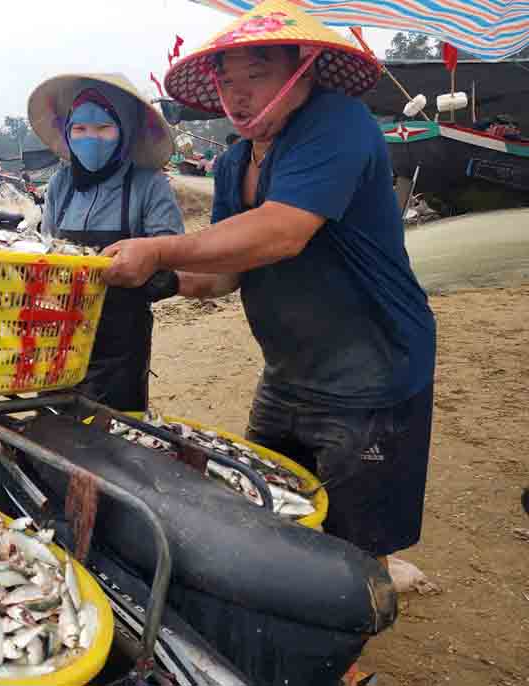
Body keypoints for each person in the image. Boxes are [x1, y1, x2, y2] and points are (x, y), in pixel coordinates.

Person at [106, 4, 436, 682]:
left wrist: (161, 245)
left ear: (304, 71)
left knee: (346, 546)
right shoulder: (233, 163)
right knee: (268, 505)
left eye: (257, 73)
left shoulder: (337, 124)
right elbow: (229, 268)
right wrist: (162, 280)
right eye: (227, 81)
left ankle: (340, 656)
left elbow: (282, 232)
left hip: (372, 365)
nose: (238, 92)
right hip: (289, 368)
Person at [28, 73, 185, 410]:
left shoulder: (149, 184)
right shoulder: (61, 184)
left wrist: (149, 270)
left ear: (124, 131)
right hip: (60, 332)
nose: (91, 139)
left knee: (114, 438)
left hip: (121, 337)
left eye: (103, 129)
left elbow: (171, 250)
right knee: (53, 429)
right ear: (68, 132)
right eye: (80, 130)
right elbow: (47, 249)